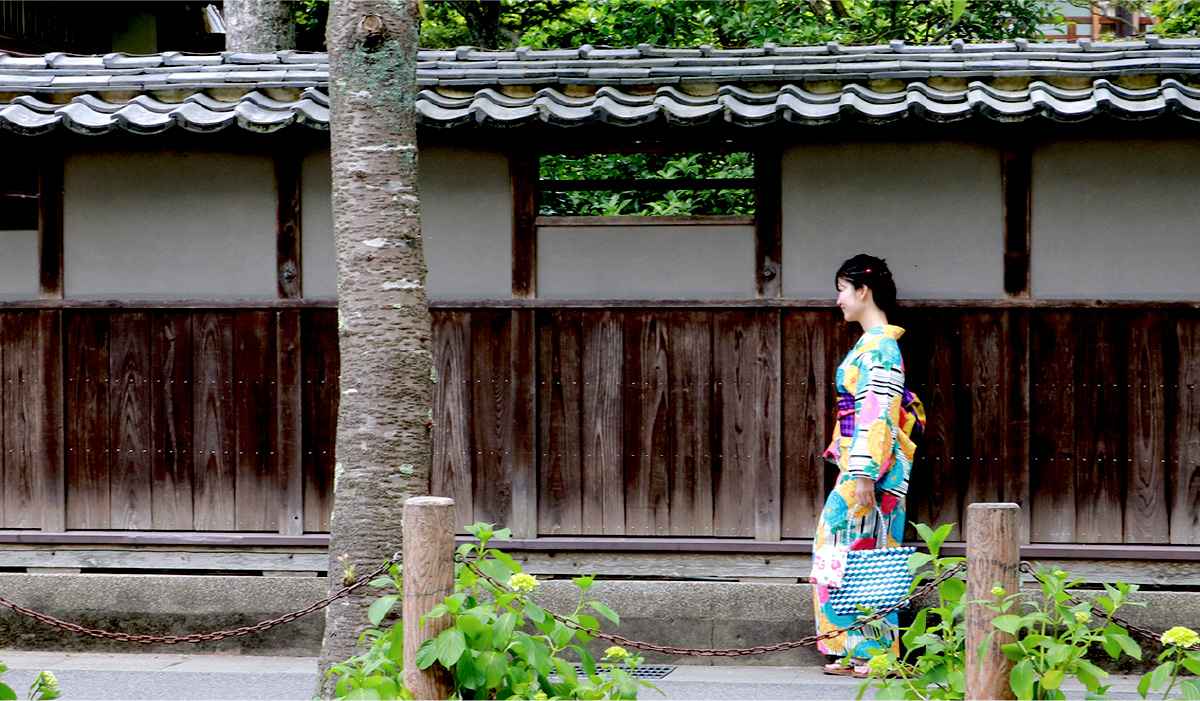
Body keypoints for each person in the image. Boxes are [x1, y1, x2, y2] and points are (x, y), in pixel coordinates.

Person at [813, 254, 925, 677]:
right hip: (863, 467)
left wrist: (864, 472)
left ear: (863, 290)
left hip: (873, 473)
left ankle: (875, 651)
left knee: (868, 554)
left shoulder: (881, 346)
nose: (838, 298)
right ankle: (850, 647)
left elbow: (876, 414)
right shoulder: (871, 344)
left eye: (842, 289)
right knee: (846, 551)